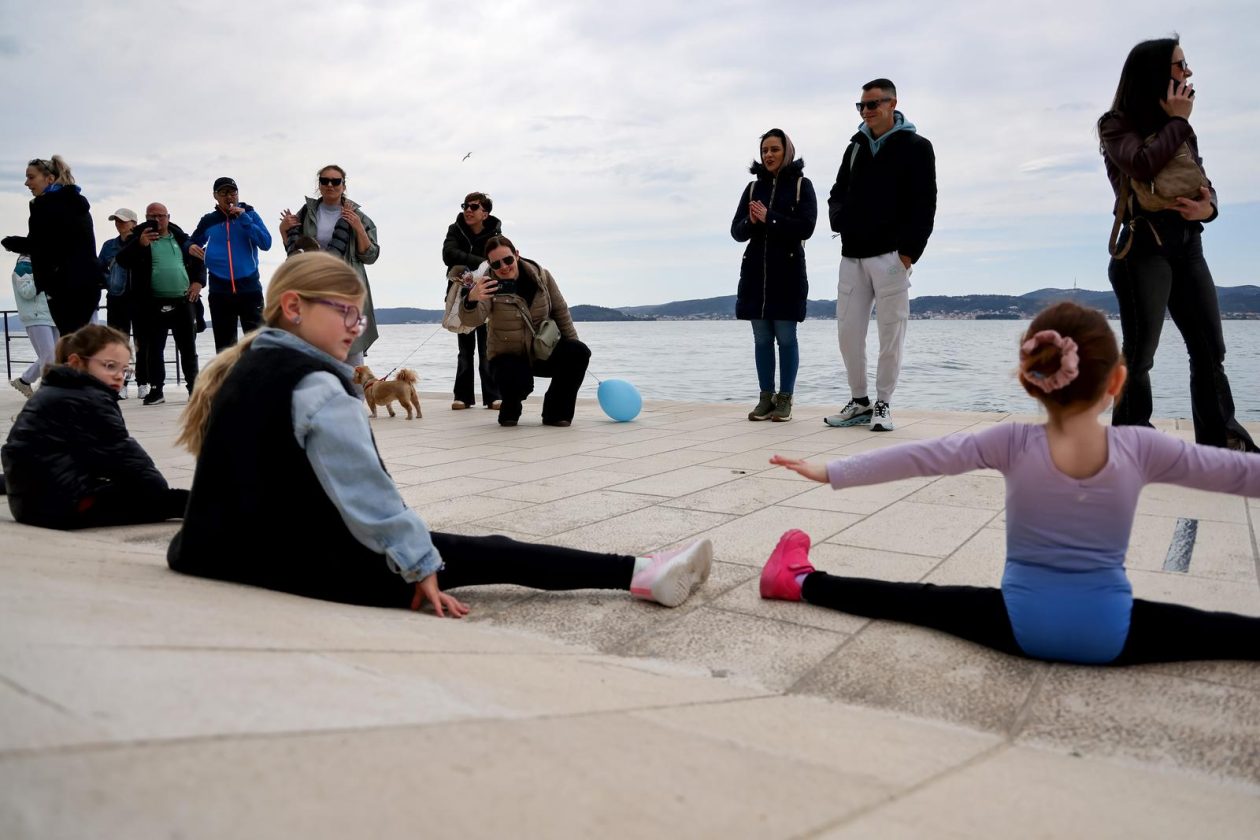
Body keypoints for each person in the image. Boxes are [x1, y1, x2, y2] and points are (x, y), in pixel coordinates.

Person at [167, 252, 711, 614]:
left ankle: (642, 571)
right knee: (492, 551)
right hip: (304, 561)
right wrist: (418, 564)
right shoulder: (319, 387)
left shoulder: (242, 365)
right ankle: (643, 575)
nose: (358, 329)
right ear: (294, 307)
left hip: (209, 550)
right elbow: (364, 489)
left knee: (464, 545)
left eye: (361, 318)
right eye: (348, 316)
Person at [762, 301, 1260, 666]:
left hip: (1022, 628)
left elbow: (922, 457)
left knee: (915, 601)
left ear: (1032, 380)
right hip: (1109, 633)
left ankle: (797, 580)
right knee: (1218, 631)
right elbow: (1240, 472)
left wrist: (831, 470)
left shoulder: (1012, 442)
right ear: (1116, 383)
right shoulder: (1142, 447)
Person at [1100, 37, 1254, 452]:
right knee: (1141, 354)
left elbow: (1202, 182)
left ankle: (1222, 439)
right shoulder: (1116, 124)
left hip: (1188, 245)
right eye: (1180, 66)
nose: (1187, 74)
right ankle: (1132, 441)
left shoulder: (1181, 128)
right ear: (1155, 73)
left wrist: (1209, 209)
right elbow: (1141, 165)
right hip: (1144, 248)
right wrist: (1179, 122)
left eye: (1187, 67)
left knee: (1210, 350)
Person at [824, 79, 937, 433]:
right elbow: (836, 193)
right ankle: (859, 402)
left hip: (891, 257)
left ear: (893, 104)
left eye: (873, 104)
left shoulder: (917, 147)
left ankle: (883, 403)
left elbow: (925, 203)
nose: (866, 111)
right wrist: (840, 220)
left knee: (891, 332)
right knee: (848, 332)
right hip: (852, 255)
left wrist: (908, 253)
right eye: (862, 106)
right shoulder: (854, 147)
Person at [1, 324, 189, 529]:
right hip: (62, 507)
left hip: (27, 501)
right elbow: (126, 456)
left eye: (125, 370)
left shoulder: (54, 390)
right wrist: (158, 493)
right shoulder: (92, 400)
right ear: (76, 362)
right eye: (110, 366)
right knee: (176, 501)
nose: (119, 375)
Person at [731, 128, 817, 422]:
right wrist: (753, 222)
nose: (768, 155)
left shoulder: (801, 186)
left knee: (786, 337)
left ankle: (785, 399)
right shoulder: (753, 189)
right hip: (756, 274)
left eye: (774, 149)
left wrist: (771, 218)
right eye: (765, 150)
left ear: (787, 151)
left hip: (788, 274)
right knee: (761, 339)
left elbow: (806, 227)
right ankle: (765, 398)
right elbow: (736, 231)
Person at [460, 236, 587, 428]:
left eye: (508, 259)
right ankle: (510, 408)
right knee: (517, 388)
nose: (503, 266)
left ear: (517, 255)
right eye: (496, 263)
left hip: (540, 350)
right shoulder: (487, 285)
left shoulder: (542, 277)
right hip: (507, 357)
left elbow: (560, 312)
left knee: (579, 352)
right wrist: (471, 299)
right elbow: (472, 319)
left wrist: (572, 350)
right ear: (490, 265)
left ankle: (556, 413)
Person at [278, 165, 380, 368]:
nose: (330, 185)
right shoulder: (307, 212)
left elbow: (370, 256)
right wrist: (283, 230)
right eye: (325, 181)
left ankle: (354, 399)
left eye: (336, 181)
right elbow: (294, 252)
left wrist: (358, 228)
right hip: (314, 289)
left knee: (351, 351)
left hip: (347, 289)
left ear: (344, 186)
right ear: (319, 185)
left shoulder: (359, 216)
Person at [115, 203, 204, 405]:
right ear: (146, 217)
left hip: (183, 301)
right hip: (152, 303)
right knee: (154, 349)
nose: (156, 220)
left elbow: (199, 261)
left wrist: (198, 282)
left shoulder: (180, 238)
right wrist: (140, 244)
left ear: (168, 217)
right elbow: (121, 259)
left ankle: (194, 388)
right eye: (152, 216)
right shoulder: (137, 237)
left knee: (188, 348)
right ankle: (156, 390)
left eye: (161, 216)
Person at [1, 156, 102, 333]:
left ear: (49, 179)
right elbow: (65, 243)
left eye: (31, 177)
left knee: (71, 347)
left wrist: (13, 243)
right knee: (80, 345)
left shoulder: (47, 205)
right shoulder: (76, 202)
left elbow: (46, 247)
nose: (26, 183)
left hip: (66, 286)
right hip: (88, 283)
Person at [188, 177, 273, 352]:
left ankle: (258, 379)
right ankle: (228, 380)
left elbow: (266, 243)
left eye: (232, 192)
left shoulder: (250, 215)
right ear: (215, 196)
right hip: (220, 291)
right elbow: (190, 242)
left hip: (250, 289)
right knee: (225, 348)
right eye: (223, 193)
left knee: (257, 345)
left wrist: (245, 220)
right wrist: (189, 247)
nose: (229, 197)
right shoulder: (209, 220)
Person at [441, 191, 503, 411]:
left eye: (474, 207)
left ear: (485, 213)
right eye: (465, 206)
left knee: (487, 347)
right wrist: (480, 263)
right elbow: (448, 255)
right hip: (460, 293)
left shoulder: (495, 233)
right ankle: (462, 396)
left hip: (487, 294)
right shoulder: (455, 229)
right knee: (465, 349)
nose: (468, 210)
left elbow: (499, 261)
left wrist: (478, 264)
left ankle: (493, 396)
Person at [98, 208, 147, 400]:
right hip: (117, 299)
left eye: (123, 221)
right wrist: (109, 281)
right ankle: (122, 383)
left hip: (140, 298)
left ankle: (143, 381)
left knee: (141, 342)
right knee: (118, 343)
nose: (119, 224)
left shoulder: (143, 242)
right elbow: (99, 268)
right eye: (116, 221)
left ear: (134, 223)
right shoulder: (109, 246)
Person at [9, 255, 58, 398]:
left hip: (52, 316)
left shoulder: (47, 265)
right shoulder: (22, 268)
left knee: (53, 355)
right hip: (35, 317)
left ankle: (25, 381)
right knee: (49, 356)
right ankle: (48, 393)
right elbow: (26, 292)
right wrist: (42, 274)